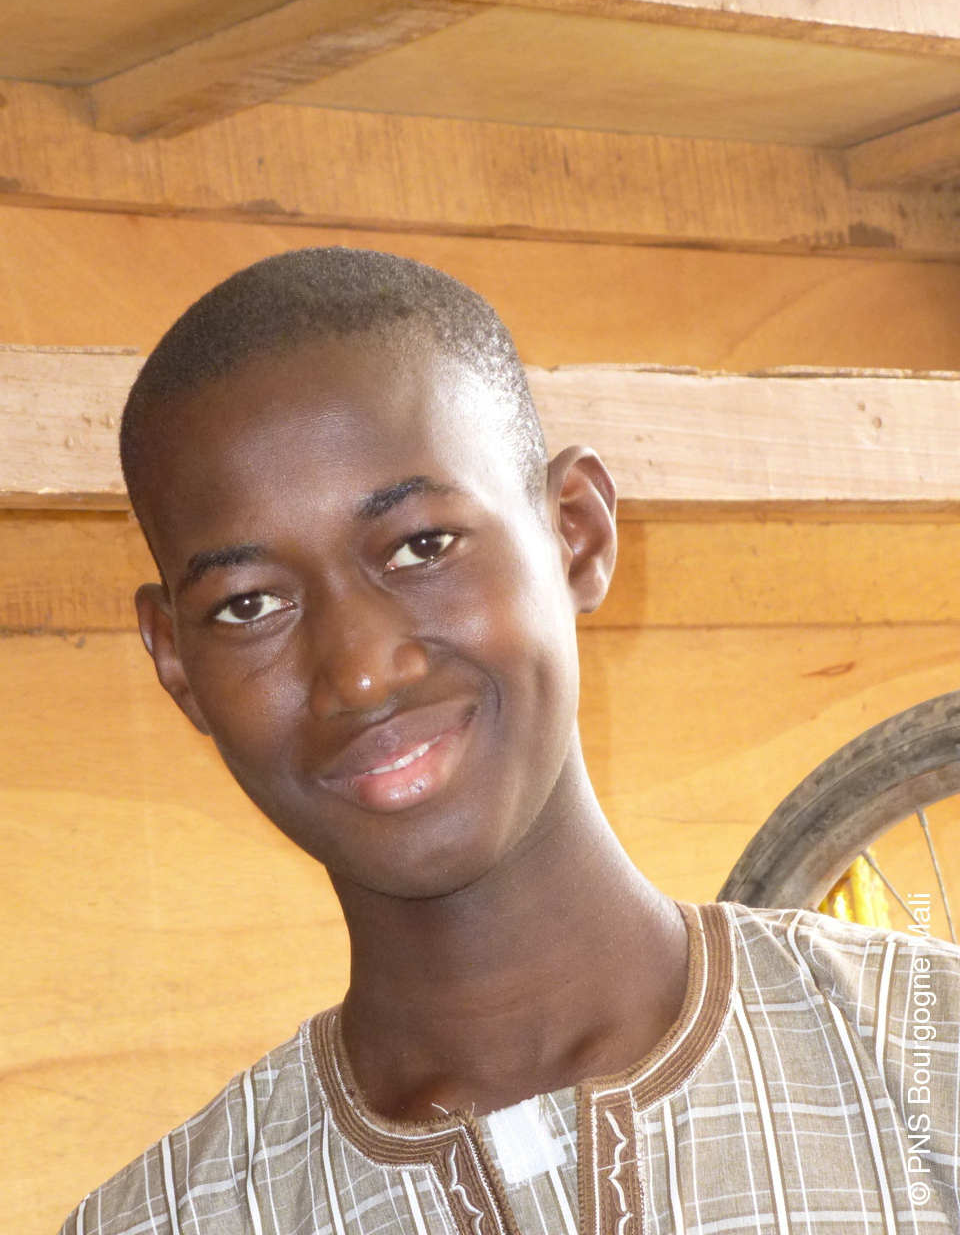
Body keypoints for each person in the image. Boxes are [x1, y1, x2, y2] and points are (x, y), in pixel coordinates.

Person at [61, 249, 960, 1235]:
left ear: (576, 532)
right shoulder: (165, 1219)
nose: (360, 672)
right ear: (176, 660)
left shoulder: (932, 1061)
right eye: (249, 604)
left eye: (423, 546)